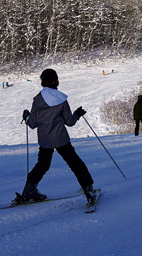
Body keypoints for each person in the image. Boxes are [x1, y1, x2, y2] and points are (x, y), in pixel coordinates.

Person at [20, 68, 97, 206]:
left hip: (45, 140)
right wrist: (77, 114)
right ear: (56, 81)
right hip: (61, 139)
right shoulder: (61, 99)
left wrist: (26, 116)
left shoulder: (37, 100)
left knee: (42, 166)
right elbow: (70, 122)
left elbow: (32, 124)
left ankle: (29, 191)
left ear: (42, 82)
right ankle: (89, 190)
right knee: (76, 164)